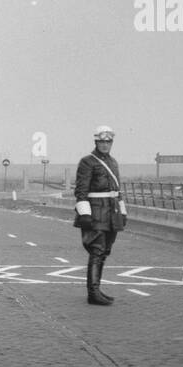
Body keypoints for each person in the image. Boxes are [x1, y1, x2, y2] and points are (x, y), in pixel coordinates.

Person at [73, 126, 126, 305]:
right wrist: (85, 214)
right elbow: (81, 191)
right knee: (96, 250)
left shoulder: (113, 162)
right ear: (96, 142)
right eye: (102, 141)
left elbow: (117, 190)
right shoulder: (87, 162)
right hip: (95, 211)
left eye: (108, 142)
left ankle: (97, 290)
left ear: (111, 143)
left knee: (104, 251)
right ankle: (93, 293)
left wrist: (122, 210)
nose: (105, 145)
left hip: (111, 211)